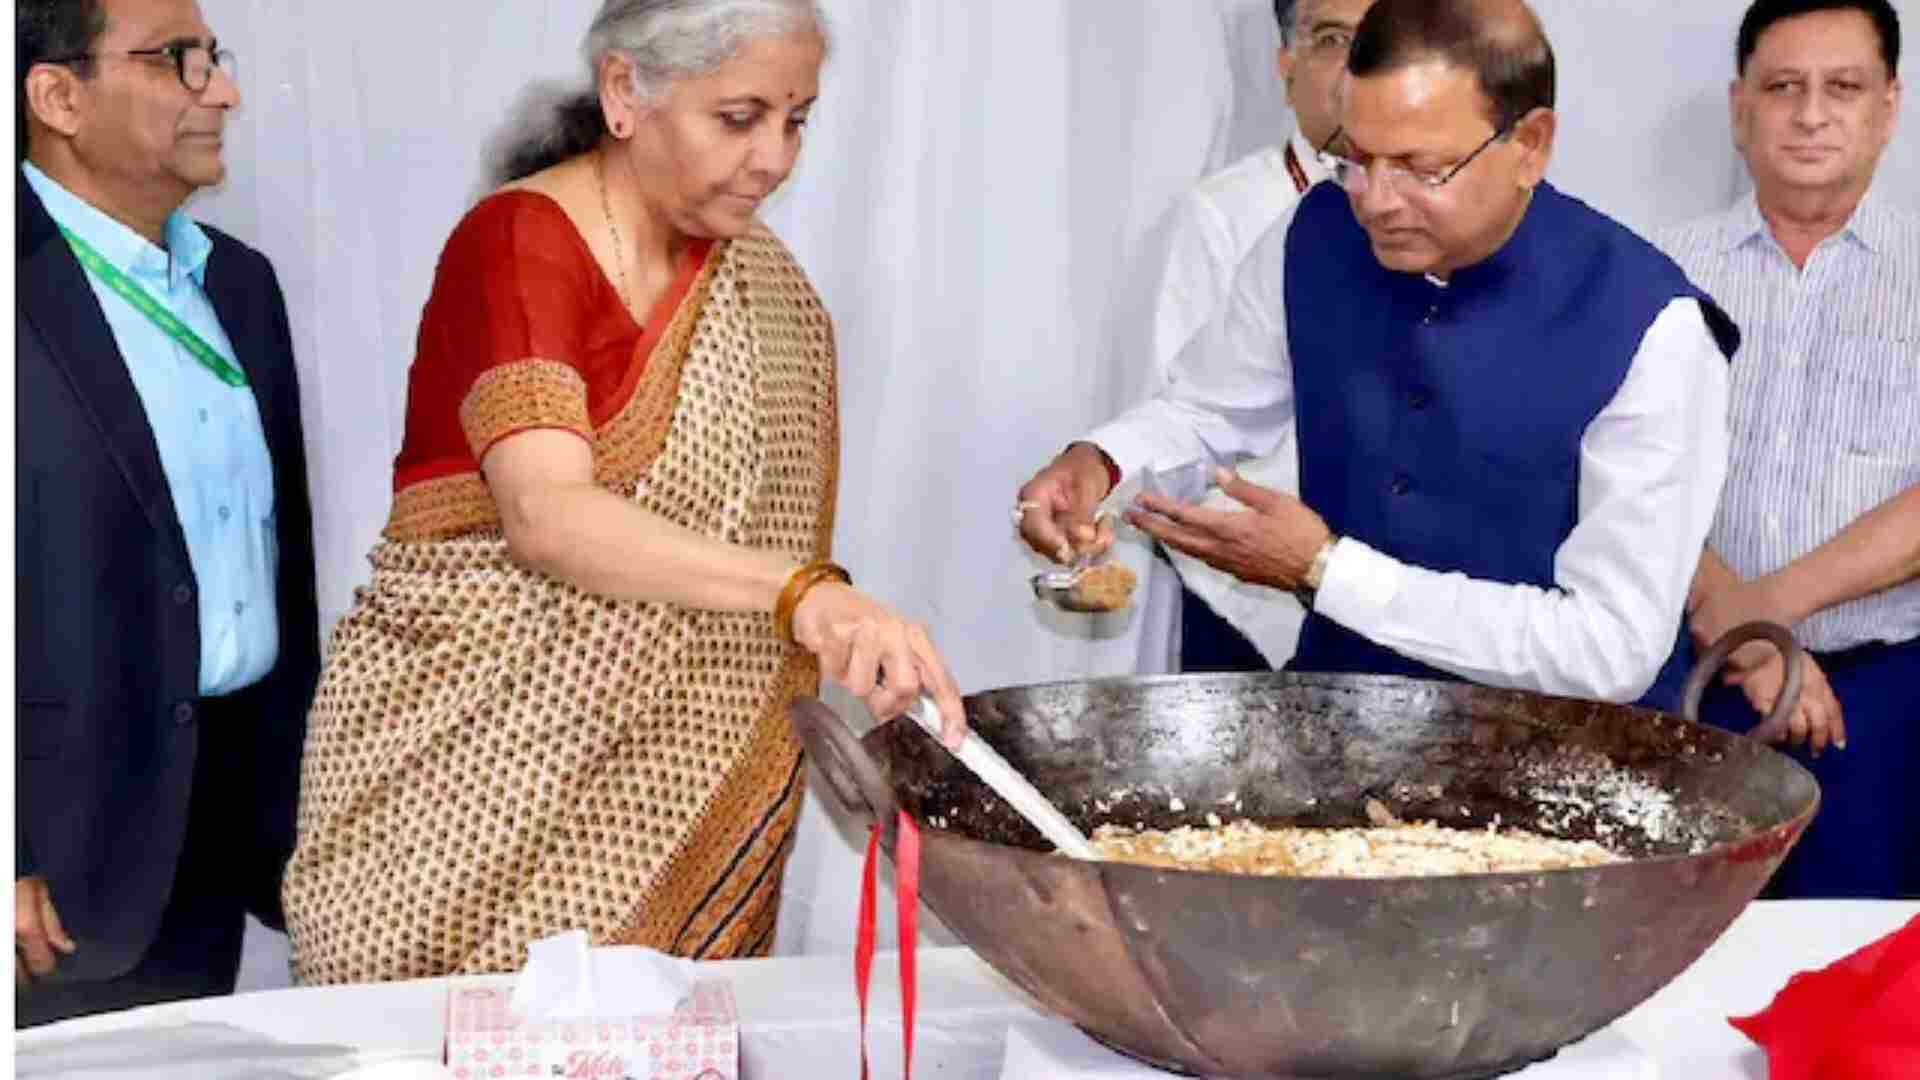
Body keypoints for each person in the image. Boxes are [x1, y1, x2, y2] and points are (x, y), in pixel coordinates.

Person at [281, 0, 967, 984]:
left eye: (798, 118)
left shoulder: (772, 295)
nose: (775, 157)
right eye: (739, 118)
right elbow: (545, 515)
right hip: (451, 808)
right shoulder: (520, 241)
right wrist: (800, 594)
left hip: (670, 806)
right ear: (625, 94)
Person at [1018, 0, 1737, 711]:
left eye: (1421, 168)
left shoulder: (1653, 327)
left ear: (1531, 145)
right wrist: (1101, 462)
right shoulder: (1315, 234)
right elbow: (1209, 413)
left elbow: (1609, 649)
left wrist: (1327, 570)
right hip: (1340, 728)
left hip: (1566, 762)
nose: (1375, 202)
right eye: (1357, 159)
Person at [15, 0, 320, 1025]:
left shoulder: (240, 285)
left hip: (214, 823)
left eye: (215, 60)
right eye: (178, 62)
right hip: (50, 861)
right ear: (57, 95)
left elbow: (283, 559)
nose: (222, 91)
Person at [1655, 0, 1916, 898]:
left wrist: (1760, 613)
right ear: (1740, 107)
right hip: (1684, 688)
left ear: (1890, 106)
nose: (1811, 115)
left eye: (1842, 88)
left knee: (1860, 973)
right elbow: (1605, 482)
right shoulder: (1655, 274)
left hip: (1881, 702)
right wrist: (1745, 638)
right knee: (1672, 962)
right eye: (1783, 88)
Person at [1149, 0, 1375, 673]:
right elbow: (1190, 432)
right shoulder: (1220, 215)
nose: (1359, 66)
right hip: (1248, 609)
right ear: (1287, 64)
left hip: (1405, 601)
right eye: (1334, 39)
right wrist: (1300, 571)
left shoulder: (1451, 211)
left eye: (1384, 37)